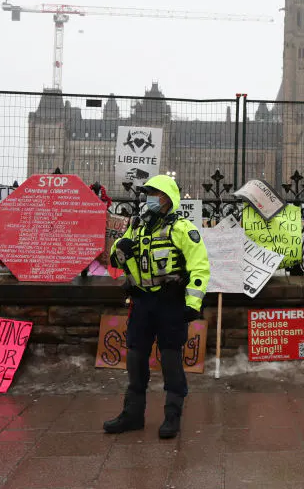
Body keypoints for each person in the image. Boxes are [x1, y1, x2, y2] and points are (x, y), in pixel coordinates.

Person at [104, 174, 211, 438]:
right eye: (147, 193)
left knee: (171, 359)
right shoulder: (138, 225)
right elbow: (115, 259)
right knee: (136, 357)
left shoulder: (183, 229)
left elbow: (200, 267)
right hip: (142, 301)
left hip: (170, 303)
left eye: (155, 193)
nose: (149, 198)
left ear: (167, 198)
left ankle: (172, 415)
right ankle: (132, 414)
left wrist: (192, 303)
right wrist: (121, 247)